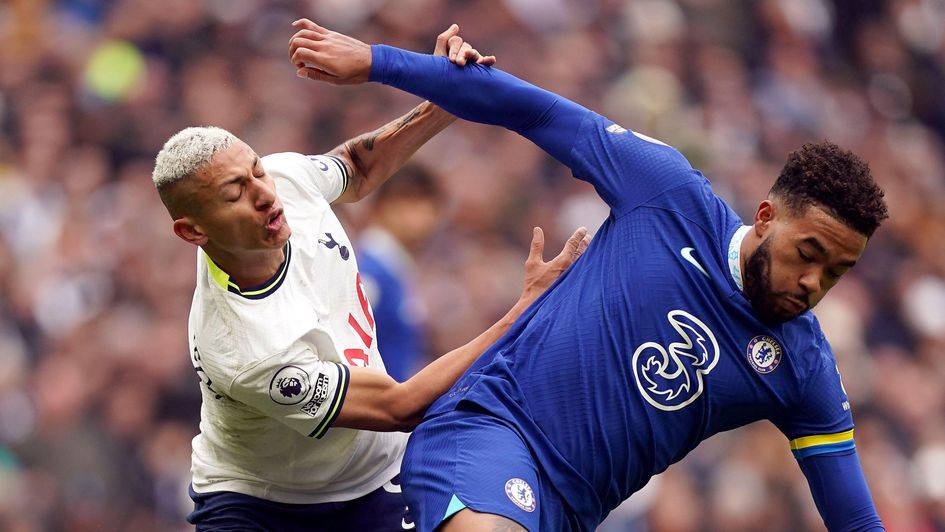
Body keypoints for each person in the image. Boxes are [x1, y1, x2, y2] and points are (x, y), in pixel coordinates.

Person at [288, 19, 889, 532]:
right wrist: (375, 61)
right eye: (808, 253)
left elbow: (855, 518)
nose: (814, 283)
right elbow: (528, 106)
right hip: (488, 432)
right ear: (765, 217)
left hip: (569, 513)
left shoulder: (803, 367)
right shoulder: (668, 193)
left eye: (837, 271)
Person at [151, 26, 590, 531]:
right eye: (235, 194)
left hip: (372, 478)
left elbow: (357, 169)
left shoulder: (284, 180)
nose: (265, 194)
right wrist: (525, 307)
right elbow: (401, 405)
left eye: (256, 171)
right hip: (262, 506)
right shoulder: (247, 346)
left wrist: (449, 91)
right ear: (192, 231)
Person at [357, 165, 443, 382]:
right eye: (411, 203)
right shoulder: (370, 275)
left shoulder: (395, 272)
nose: (424, 215)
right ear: (383, 205)